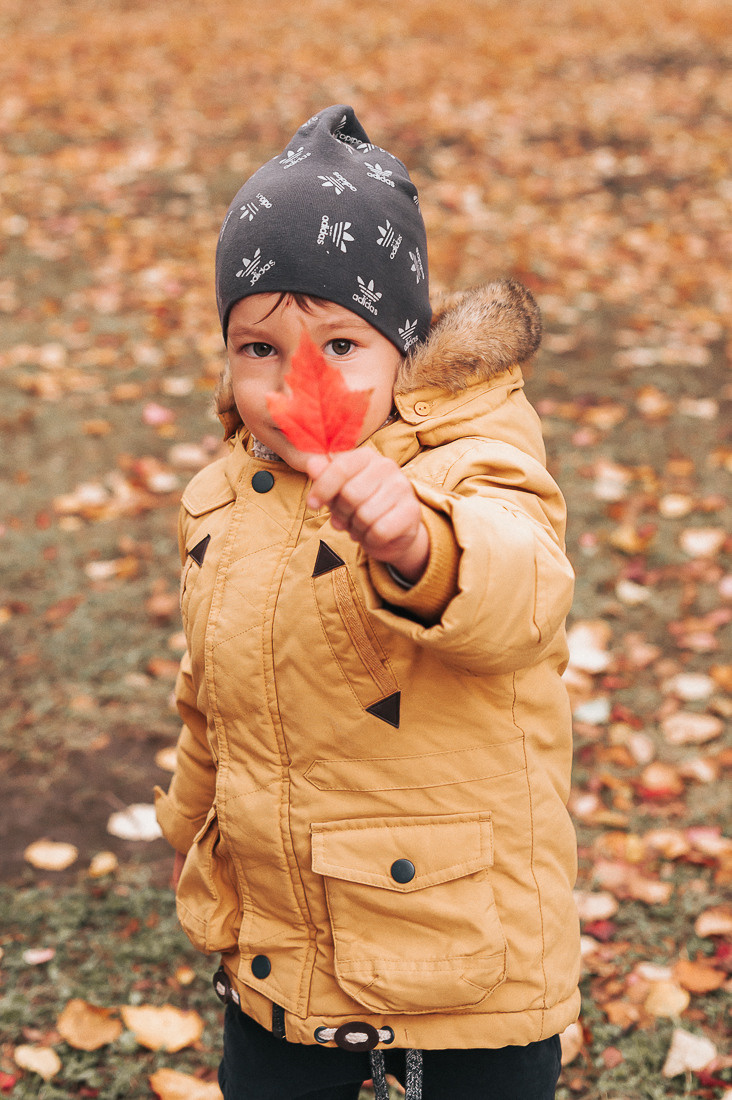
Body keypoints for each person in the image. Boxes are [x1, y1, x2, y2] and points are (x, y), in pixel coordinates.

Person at [155, 104, 580, 1100]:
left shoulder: (472, 463)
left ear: (404, 345)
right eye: (257, 346)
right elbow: (208, 682)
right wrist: (191, 819)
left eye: (341, 342)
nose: (293, 377)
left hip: (459, 949)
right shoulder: (223, 493)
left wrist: (417, 540)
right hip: (283, 937)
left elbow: (523, 587)